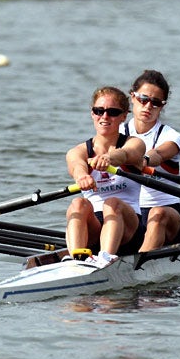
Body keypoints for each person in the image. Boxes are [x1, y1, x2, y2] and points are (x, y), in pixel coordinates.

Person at [65, 86, 146, 265]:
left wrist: (110, 158)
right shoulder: (78, 151)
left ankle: (106, 258)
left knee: (112, 203)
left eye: (113, 112)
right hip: (94, 225)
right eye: (99, 111)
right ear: (92, 114)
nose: (105, 116)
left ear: (124, 116)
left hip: (128, 227)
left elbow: (127, 154)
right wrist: (81, 176)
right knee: (78, 203)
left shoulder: (135, 143)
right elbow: (76, 165)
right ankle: (76, 259)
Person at [121, 70, 180, 252]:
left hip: (164, 212)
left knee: (158, 214)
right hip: (131, 213)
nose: (148, 106)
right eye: (143, 99)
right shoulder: (117, 131)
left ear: (162, 106)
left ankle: (139, 266)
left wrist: (145, 159)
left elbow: (159, 154)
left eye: (156, 102)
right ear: (132, 97)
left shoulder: (171, 136)